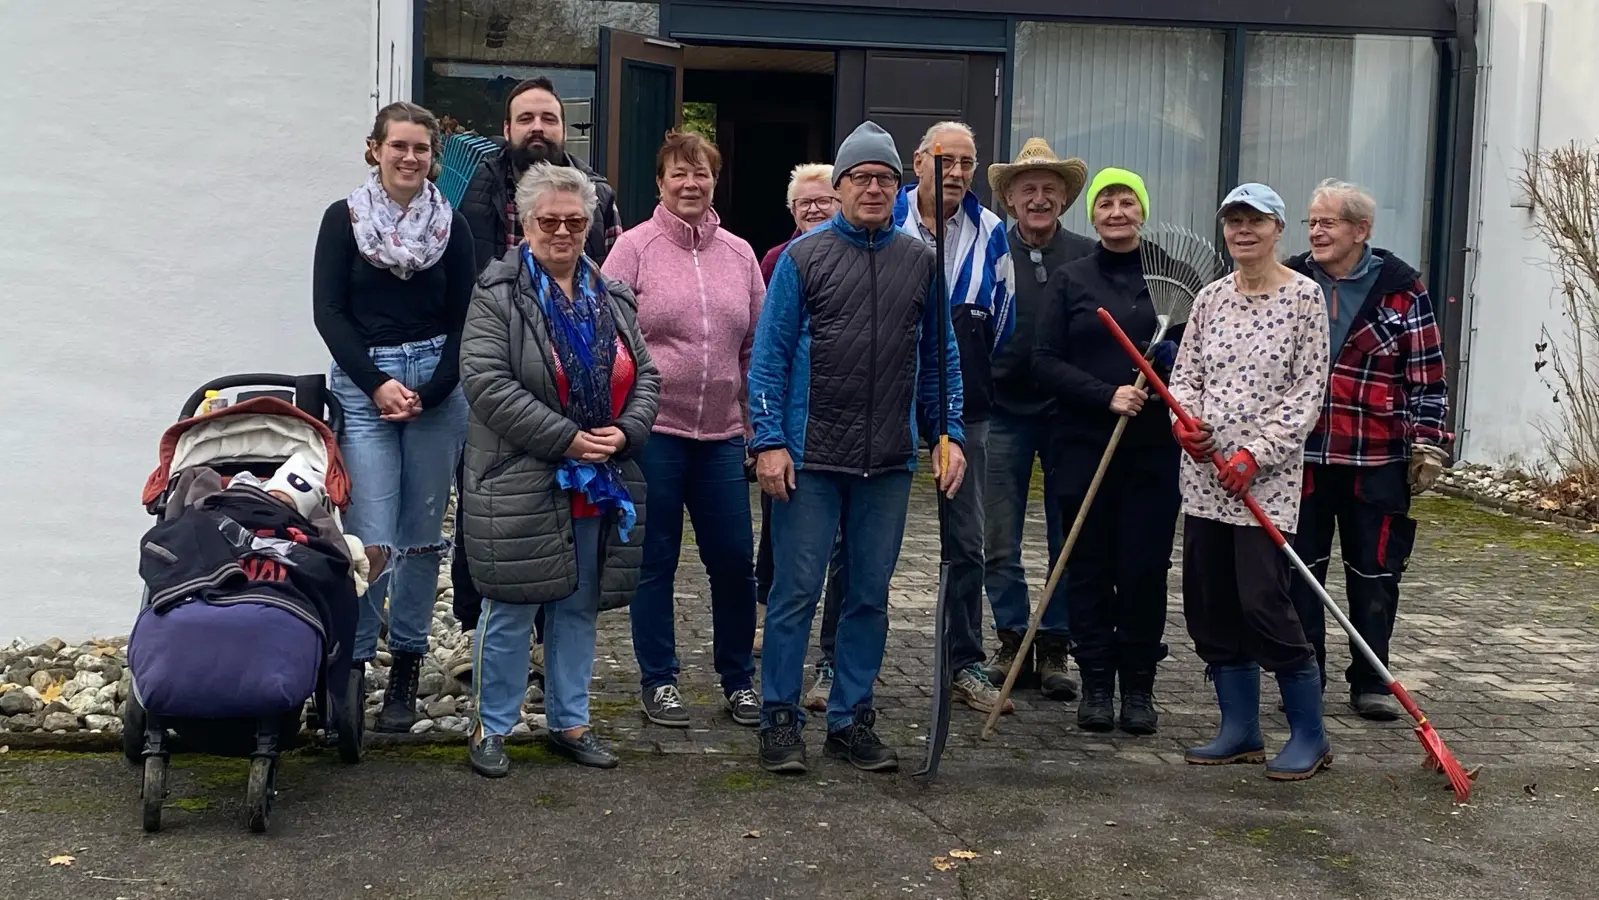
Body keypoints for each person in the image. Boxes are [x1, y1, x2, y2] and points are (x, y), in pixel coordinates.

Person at [748, 120, 967, 775]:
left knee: (869, 596)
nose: (871, 188)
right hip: (810, 458)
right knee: (795, 593)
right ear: (838, 186)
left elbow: (939, 358)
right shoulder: (803, 257)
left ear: (898, 187)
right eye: (858, 178)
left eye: (883, 178)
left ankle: (849, 717)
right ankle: (779, 720)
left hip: (887, 461)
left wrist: (946, 435)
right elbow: (769, 356)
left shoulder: (919, 260)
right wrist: (768, 442)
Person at [457, 162, 661, 777]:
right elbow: (487, 384)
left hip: (598, 478)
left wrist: (626, 431)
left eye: (575, 221)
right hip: (521, 476)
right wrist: (568, 440)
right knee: (513, 605)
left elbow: (647, 375)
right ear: (524, 224)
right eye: (549, 221)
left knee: (579, 603)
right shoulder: (497, 293)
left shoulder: (613, 295)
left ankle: (570, 722)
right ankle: (491, 726)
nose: (563, 232)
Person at [450, 76, 622, 688]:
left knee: (576, 575)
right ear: (508, 129)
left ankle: (564, 701)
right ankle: (488, 691)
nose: (538, 129)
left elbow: (635, 357)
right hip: (510, 412)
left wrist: (618, 430)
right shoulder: (473, 194)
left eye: (548, 117)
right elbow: (479, 345)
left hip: (584, 431)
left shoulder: (594, 198)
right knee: (499, 551)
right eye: (526, 119)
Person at [313, 101, 474, 733]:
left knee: (421, 535)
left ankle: (405, 665)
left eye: (422, 148)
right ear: (374, 148)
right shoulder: (342, 221)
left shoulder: (452, 227)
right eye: (399, 145)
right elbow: (329, 312)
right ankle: (351, 670)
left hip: (436, 383)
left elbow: (466, 320)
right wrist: (377, 384)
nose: (411, 157)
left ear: (434, 156)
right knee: (370, 534)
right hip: (364, 384)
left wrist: (432, 392)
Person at [603, 130, 765, 728]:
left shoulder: (741, 254)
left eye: (702, 173)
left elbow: (754, 346)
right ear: (660, 183)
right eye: (679, 174)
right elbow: (610, 339)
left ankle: (738, 680)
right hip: (655, 434)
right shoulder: (633, 249)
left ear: (714, 181)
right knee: (655, 559)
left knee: (732, 561)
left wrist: (755, 426)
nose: (691, 183)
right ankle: (659, 679)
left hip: (723, 437)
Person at [1170, 183, 1332, 781]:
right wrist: (1185, 425)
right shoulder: (1210, 299)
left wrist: (1255, 457)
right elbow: (1184, 376)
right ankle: (1239, 729)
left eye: (1255, 222)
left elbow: (1307, 391)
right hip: (1205, 478)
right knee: (1209, 601)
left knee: (1263, 600)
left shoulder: (1305, 299)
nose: (1243, 231)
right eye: (1233, 221)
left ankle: (1309, 735)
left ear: (1277, 229)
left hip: (1264, 482)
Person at [1285, 179, 1450, 721]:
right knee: (1301, 570)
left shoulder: (1402, 290)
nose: (1315, 231)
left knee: (1375, 573)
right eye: (1312, 221)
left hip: (1376, 457)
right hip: (1302, 457)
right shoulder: (1291, 279)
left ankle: (1372, 679)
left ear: (1362, 230)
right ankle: (1306, 675)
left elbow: (1428, 379)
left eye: (1328, 222)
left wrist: (1428, 444)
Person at [1033, 167, 1184, 735]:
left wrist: (1166, 369)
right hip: (1084, 447)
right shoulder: (1071, 280)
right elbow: (1044, 361)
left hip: (1150, 453)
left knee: (1144, 569)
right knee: (1090, 567)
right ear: (1092, 215)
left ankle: (1138, 687)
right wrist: (1106, 395)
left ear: (1141, 209)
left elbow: (1200, 357)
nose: (1117, 212)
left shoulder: (1175, 277)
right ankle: (1096, 683)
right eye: (1106, 203)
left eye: (1127, 201)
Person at [890, 120, 1016, 715]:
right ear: (918, 162)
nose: (959, 173)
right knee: (860, 535)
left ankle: (965, 661)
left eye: (968, 162)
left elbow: (1004, 319)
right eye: (947, 161)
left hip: (964, 396)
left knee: (966, 537)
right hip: (884, 389)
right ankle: (836, 659)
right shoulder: (882, 218)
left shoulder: (993, 232)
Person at [981, 137, 1094, 700]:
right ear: (1010, 198)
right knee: (997, 536)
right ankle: (1012, 639)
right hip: (1001, 411)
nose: (1040, 197)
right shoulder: (988, 250)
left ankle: (1053, 646)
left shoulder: (1085, 255)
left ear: (1064, 199)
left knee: (1066, 535)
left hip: (1066, 414)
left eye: (1050, 189)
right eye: (1029, 189)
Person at [753, 164, 842, 689]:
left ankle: (832, 653)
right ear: (791, 211)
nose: (813, 208)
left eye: (823, 200)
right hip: (786, 424)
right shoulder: (776, 260)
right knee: (780, 534)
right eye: (804, 203)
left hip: (845, 430)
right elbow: (770, 345)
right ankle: (773, 614)